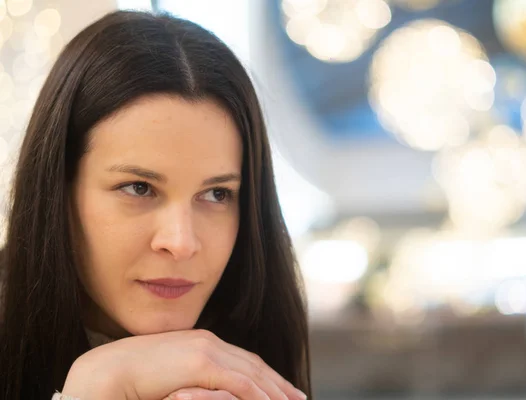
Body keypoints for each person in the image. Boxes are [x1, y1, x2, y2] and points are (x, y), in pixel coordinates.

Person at [0, 9, 311, 400]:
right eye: (139, 187)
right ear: (58, 190)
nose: (181, 242)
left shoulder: (255, 364)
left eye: (217, 194)